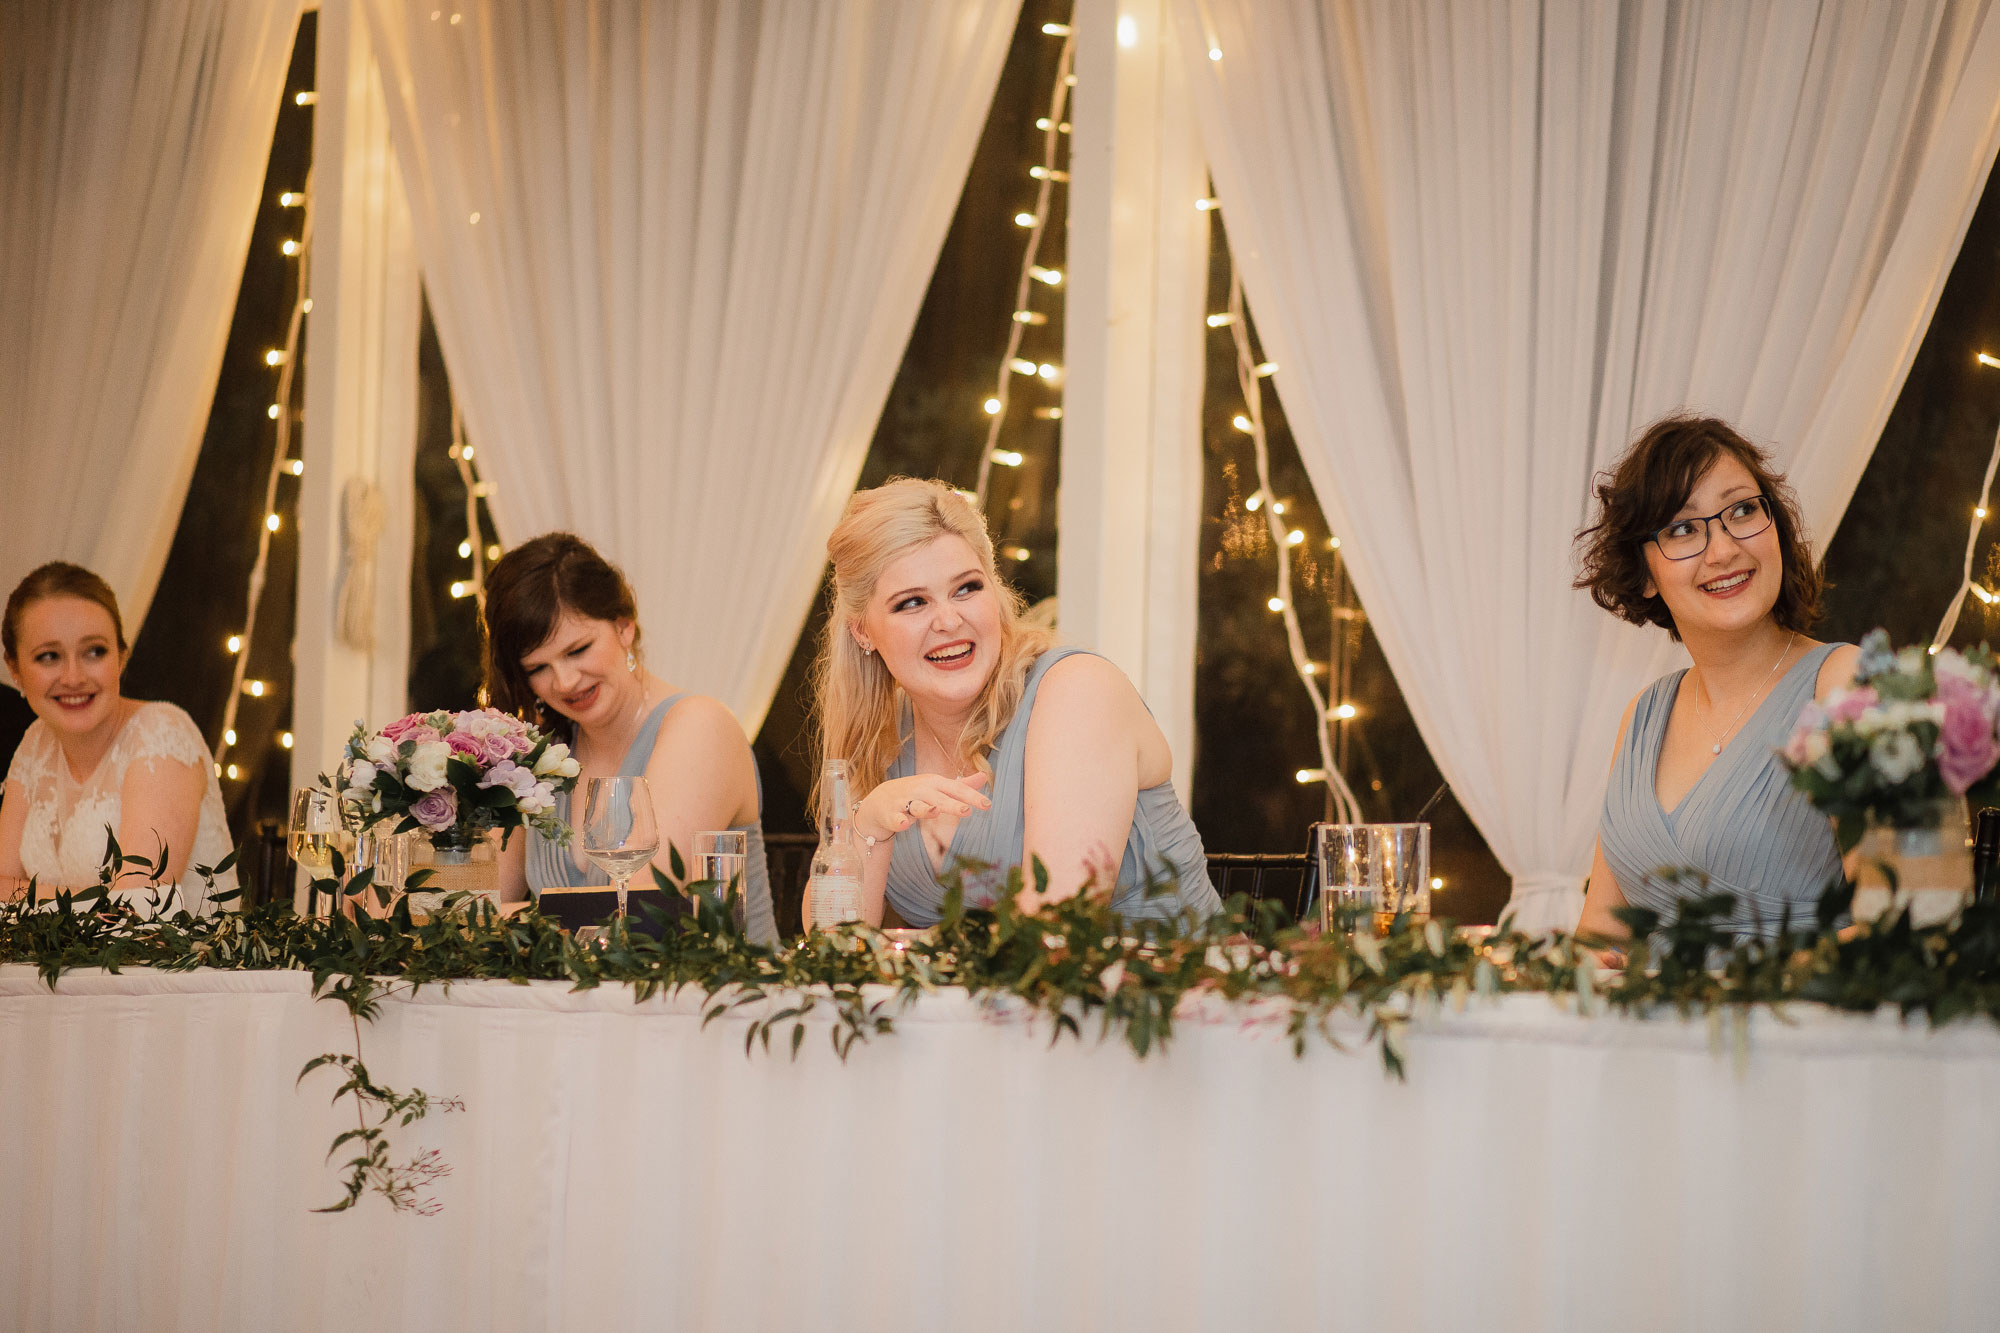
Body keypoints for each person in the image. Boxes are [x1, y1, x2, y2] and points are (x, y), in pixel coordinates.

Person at [807, 477, 1221, 928]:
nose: (949, 619)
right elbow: (831, 950)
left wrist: (919, 955)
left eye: (967, 588)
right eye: (912, 603)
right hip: (992, 999)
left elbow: (1053, 931)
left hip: (1169, 993)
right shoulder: (882, 736)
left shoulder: (1078, 692)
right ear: (863, 631)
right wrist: (867, 827)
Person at [1573, 415, 1857, 949]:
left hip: (1800, 1029)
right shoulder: (1643, 715)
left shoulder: (1847, 687)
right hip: (1649, 1031)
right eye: (1682, 528)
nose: (1723, 549)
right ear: (1644, 574)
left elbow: (1915, 931)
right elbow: (1601, 935)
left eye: (1743, 510)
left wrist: (1724, 994)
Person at [482, 533, 778, 945]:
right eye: (539, 668)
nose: (565, 681)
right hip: (577, 1008)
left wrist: (516, 922)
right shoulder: (541, 759)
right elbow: (473, 907)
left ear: (624, 626)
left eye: (578, 649)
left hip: (716, 1004)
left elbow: (642, 914)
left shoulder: (700, 726)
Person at [0, 562, 234, 912]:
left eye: (94, 651)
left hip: (176, 964)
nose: (73, 676)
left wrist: (32, 898)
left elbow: (140, 907)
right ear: (15, 669)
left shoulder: (160, 732)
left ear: (121, 657)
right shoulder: (36, 743)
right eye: (49, 656)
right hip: (63, 966)